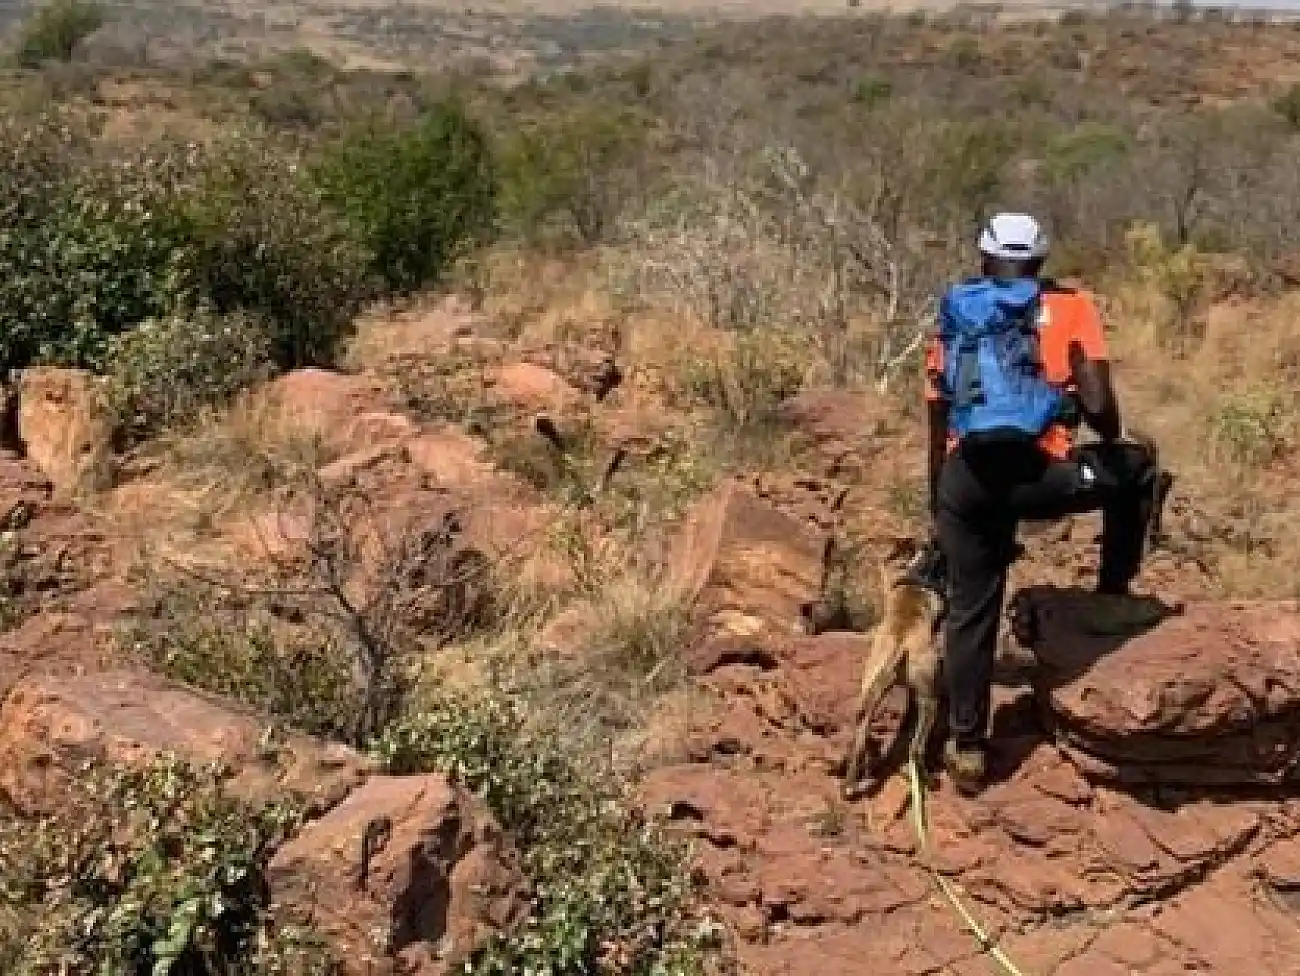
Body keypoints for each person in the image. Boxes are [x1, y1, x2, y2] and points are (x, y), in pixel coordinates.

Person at [919, 212, 1161, 795]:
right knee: (1139, 467)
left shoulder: (959, 312)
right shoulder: (1073, 308)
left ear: (984, 257)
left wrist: (941, 504)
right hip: (1044, 478)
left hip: (966, 479)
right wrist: (1098, 427)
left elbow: (937, 415)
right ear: (1040, 261)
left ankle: (968, 746)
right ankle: (1111, 595)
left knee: (971, 609)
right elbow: (1101, 406)